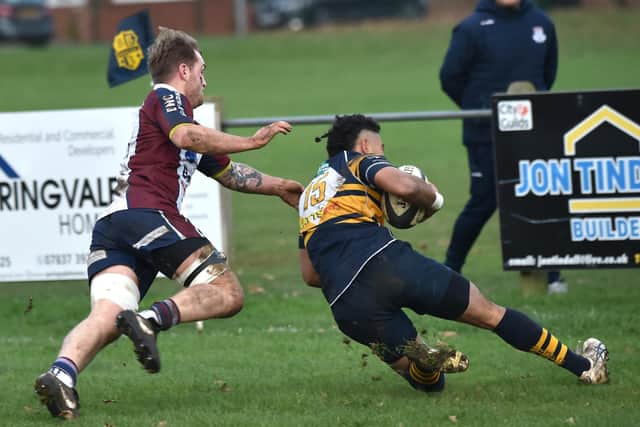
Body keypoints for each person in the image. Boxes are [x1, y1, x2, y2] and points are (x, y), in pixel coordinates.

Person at [34, 27, 304, 419]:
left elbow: (228, 173)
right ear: (183, 70)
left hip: (114, 224)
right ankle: (147, 319)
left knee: (108, 315)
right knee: (227, 293)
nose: (205, 80)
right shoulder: (167, 98)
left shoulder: (183, 124)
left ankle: (61, 374)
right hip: (147, 213)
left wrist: (280, 187)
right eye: (202, 70)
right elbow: (185, 136)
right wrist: (254, 140)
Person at [298, 114, 608, 394]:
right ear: (365, 144)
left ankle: (426, 360)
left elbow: (311, 275)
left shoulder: (309, 199)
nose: (383, 153)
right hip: (386, 263)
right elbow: (405, 187)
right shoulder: (359, 161)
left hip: (346, 304)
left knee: (428, 383)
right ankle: (583, 366)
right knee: (491, 314)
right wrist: (433, 197)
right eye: (381, 147)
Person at [439, 0, 567, 294]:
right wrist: (481, 108)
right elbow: (450, 77)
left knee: (540, 196)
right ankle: (450, 270)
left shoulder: (542, 23)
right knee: (483, 201)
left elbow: (547, 75)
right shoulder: (471, 27)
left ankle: (554, 276)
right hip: (485, 134)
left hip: (534, 133)